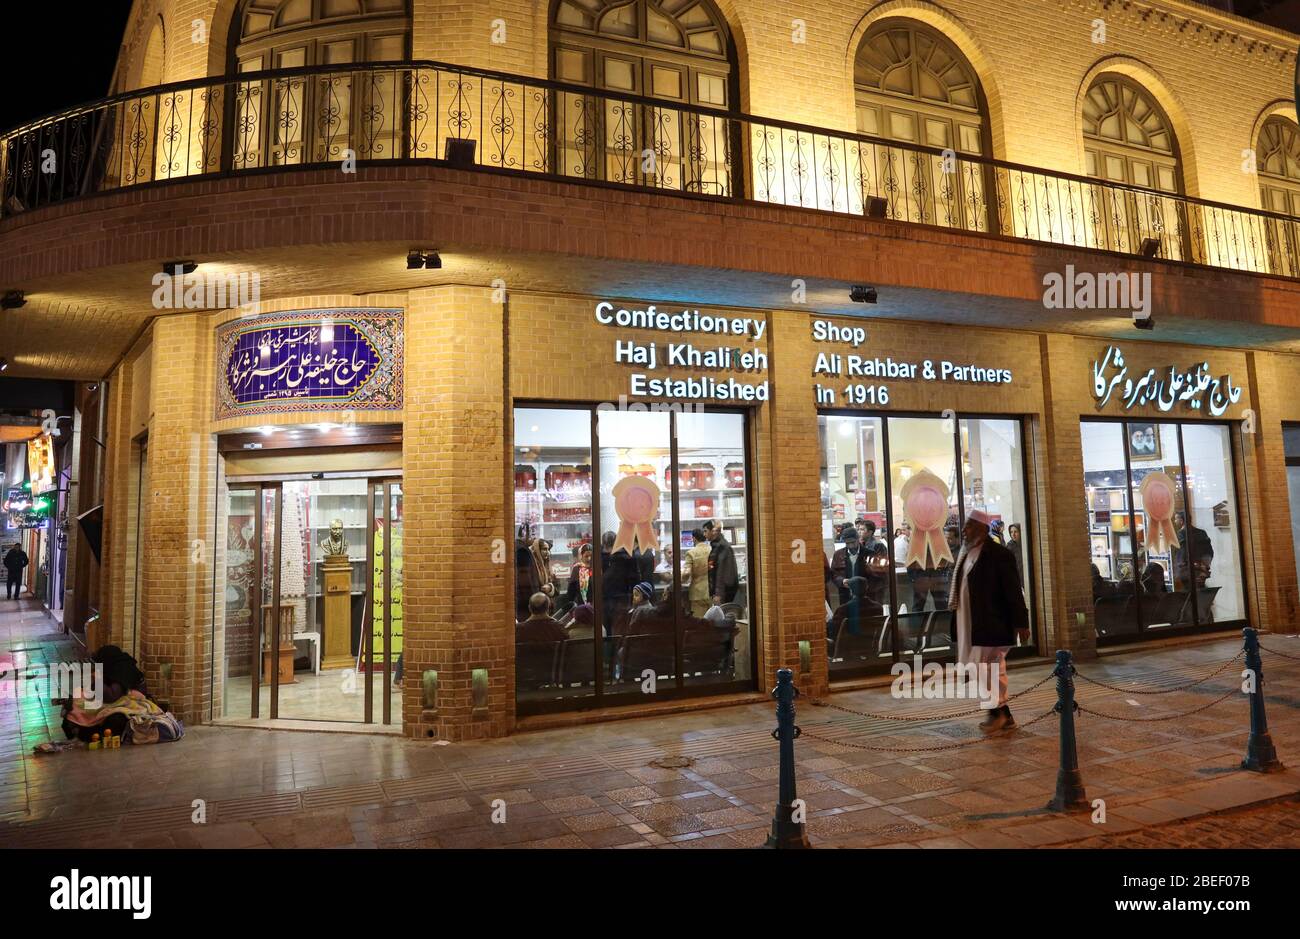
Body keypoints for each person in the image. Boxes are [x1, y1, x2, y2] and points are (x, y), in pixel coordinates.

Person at [948, 509, 1029, 733]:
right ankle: (1002, 714)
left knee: (989, 668)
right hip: (971, 624)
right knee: (979, 668)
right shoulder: (966, 553)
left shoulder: (999, 554)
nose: (964, 530)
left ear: (983, 530)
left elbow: (1013, 590)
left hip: (991, 622)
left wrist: (1021, 622)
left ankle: (999, 713)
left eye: (970, 526)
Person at [827, 576, 885, 644]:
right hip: (870, 646)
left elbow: (833, 631)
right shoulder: (878, 608)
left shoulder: (843, 610)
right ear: (867, 588)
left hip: (847, 649)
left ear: (851, 590)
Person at [1171, 511, 1213, 591]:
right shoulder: (1202, 532)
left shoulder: (1181, 534)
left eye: (1176, 519)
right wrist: (1205, 565)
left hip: (1187, 570)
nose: (1175, 521)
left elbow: (1182, 554)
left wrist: (1180, 567)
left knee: (1190, 593)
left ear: (1181, 520)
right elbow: (1209, 551)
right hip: (1201, 568)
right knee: (1200, 591)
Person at [830, 527, 870, 605]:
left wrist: (864, 586)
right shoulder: (838, 554)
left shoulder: (869, 554)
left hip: (865, 596)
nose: (851, 546)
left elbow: (875, 575)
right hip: (845, 595)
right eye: (848, 543)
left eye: (853, 542)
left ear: (858, 539)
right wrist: (841, 581)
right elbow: (833, 573)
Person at [702, 521, 739, 605]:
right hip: (721, 591)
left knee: (722, 615)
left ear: (714, 531)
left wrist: (719, 594)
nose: (704, 534)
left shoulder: (722, 547)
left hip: (724, 593)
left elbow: (721, 572)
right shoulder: (717, 546)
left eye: (705, 531)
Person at [685, 529, 713, 617]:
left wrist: (680, 579)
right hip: (712, 590)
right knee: (712, 621)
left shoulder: (691, 553)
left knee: (699, 623)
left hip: (698, 592)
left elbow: (686, 573)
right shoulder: (712, 549)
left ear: (693, 538)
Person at [565, 542, 594, 607]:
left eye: (591, 556)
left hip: (595, 606)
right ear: (581, 556)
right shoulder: (576, 569)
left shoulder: (596, 568)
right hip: (581, 605)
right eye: (586, 556)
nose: (589, 559)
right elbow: (571, 590)